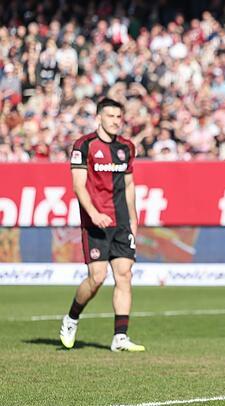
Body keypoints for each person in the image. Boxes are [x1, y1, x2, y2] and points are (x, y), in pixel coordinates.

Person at [59, 98, 144, 352]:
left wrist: (134, 218)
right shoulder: (84, 146)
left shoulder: (127, 148)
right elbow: (78, 185)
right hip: (95, 222)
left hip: (120, 223)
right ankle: (71, 318)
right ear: (99, 118)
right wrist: (94, 213)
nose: (116, 121)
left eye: (119, 117)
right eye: (110, 116)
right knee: (97, 278)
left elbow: (129, 186)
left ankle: (120, 337)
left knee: (124, 275)